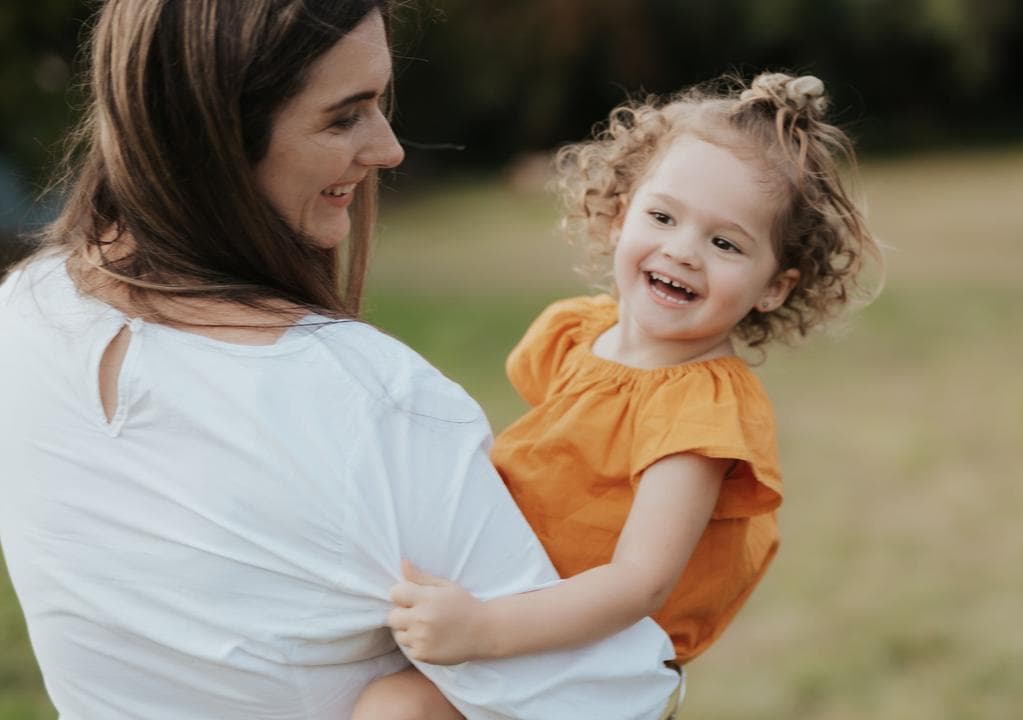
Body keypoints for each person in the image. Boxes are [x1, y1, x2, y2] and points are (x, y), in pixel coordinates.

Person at [0, 1, 680, 718]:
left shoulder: (22, 313)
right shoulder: (371, 403)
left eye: (379, 105)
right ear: (213, 136)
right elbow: (601, 703)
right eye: (344, 116)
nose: (388, 150)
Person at [355, 71, 882, 717]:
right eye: (662, 216)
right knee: (390, 704)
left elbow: (640, 581)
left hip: (594, 655)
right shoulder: (580, 332)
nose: (683, 251)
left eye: (724, 243)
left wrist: (484, 631)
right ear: (618, 214)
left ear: (774, 286)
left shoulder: (701, 409)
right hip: (526, 602)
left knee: (397, 707)